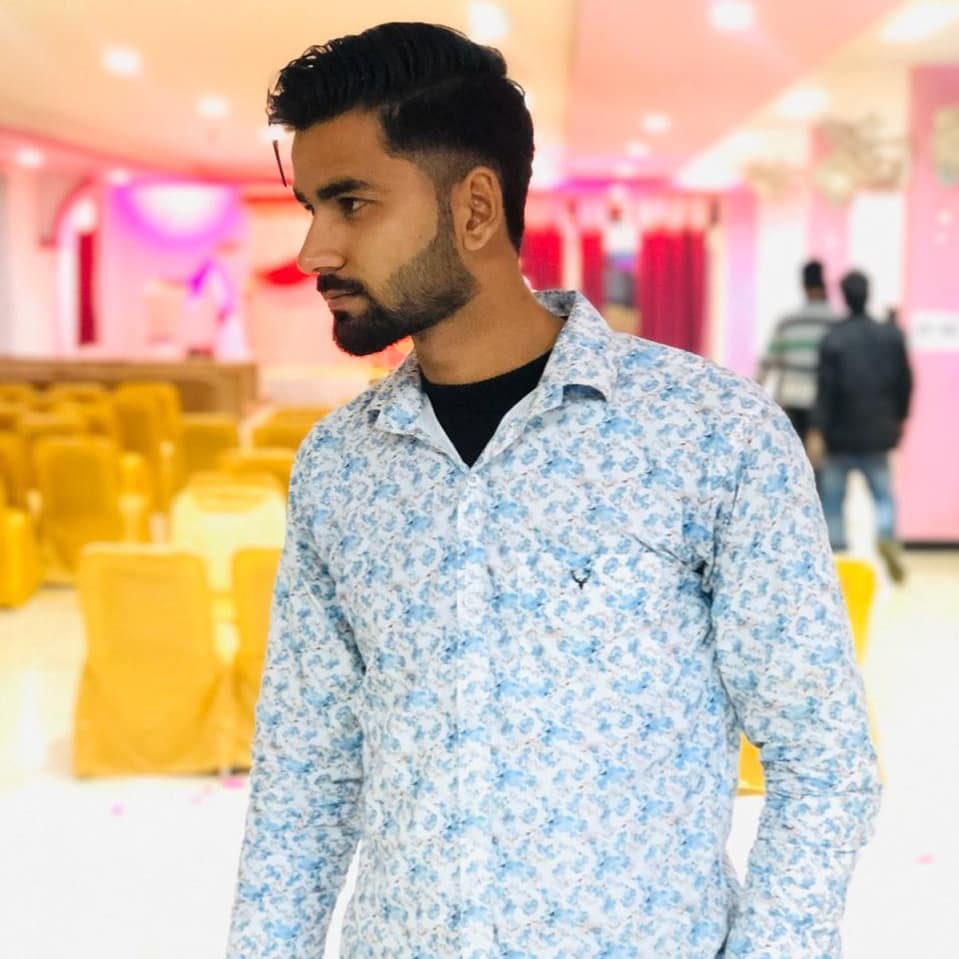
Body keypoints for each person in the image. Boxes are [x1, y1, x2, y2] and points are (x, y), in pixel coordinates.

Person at [228, 22, 880, 959]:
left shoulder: (709, 436)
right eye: (310, 207)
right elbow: (305, 775)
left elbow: (821, 759)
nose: (312, 250)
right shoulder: (340, 465)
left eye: (351, 204)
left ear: (475, 208)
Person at [807, 270, 913, 582]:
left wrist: (816, 429)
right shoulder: (890, 336)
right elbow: (905, 382)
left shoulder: (833, 337)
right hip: (878, 430)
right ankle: (885, 536)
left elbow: (825, 388)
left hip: (840, 433)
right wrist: (901, 417)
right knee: (883, 496)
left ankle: (838, 557)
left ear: (843, 296)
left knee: (833, 500)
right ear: (869, 293)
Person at [758, 259, 840, 444]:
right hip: (824, 405)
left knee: (791, 454)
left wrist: (752, 398)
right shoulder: (837, 323)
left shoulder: (788, 322)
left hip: (791, 400)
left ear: (803, 286)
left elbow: (766, 364)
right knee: (820, 459)